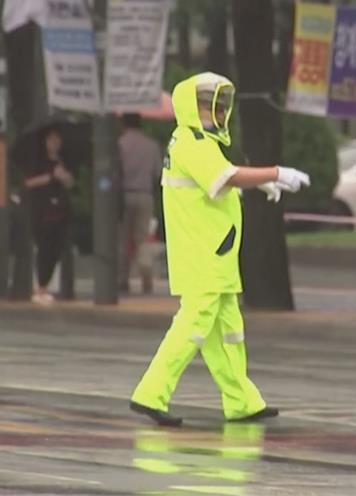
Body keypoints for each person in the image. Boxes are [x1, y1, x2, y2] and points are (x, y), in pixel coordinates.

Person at [130, 72, 310, 426]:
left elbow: (220, 178)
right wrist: (273, 173)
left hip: (215, 251)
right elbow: (225, 178)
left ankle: (241, 400)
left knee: (227, 328)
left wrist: (257, 184)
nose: (216, 111)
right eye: (207, 104)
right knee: (194, 324)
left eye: (219, 105)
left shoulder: (199, 143)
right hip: (203, 253)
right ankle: (151, 393)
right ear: (190, 107)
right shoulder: (191, 141)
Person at [23, 126, 75, 306]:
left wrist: (64, 177)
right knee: (44, 248)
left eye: (57, 139)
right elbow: (29, 182)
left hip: (60, 209)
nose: (55, 143)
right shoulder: (38, 161)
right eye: (52, 139)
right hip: (42, 209)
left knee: (56, 248)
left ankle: (45, 285)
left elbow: (69, 182)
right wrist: (51, 177)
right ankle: (40, 287)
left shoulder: (62, 160)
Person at [118, 113, 162, 295]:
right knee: (143, 239)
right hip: (145, 195)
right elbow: (158, 173)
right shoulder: (151, 146)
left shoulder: (119, 144)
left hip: (123, 195)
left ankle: (122, 279)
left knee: (122, 238)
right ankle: (146, 278)